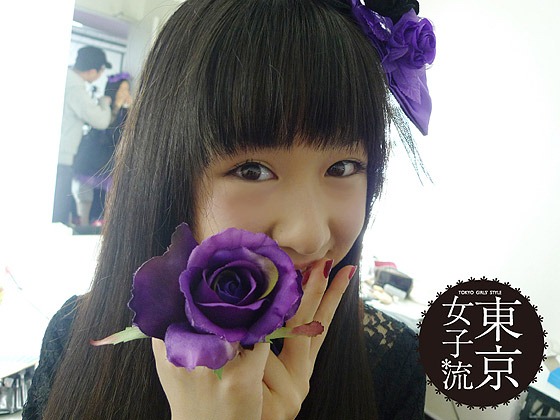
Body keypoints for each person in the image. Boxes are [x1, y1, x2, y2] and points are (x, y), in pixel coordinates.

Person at [25, 0, 435, 418]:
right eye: (252, 171)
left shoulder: (391, 363)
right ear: (169, 179)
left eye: (343, 167)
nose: (310, 235)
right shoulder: (74, 339)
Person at [52, 45, 113, 225]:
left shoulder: (65, 80)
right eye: (101, 71)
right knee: (58, 214)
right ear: (93, 71)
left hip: (61, 157)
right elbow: (101, 120)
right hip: (62, 159)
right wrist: (105, 103)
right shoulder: (75, 89)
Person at [71, 73, 133, 226]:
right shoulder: (103, 106)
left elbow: (121, 137)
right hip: (92, 160)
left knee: (109, 197)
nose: (124, 93)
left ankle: (101, 224)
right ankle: (83, 224)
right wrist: (116, 107)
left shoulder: (127, 112)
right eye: (121, 89)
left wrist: (129, 109)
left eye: (127, 89)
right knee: (85, 196)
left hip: (110, 163)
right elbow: (104, 129)